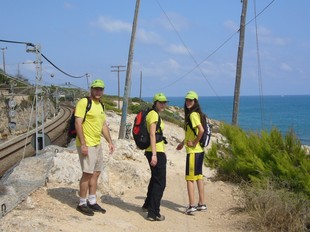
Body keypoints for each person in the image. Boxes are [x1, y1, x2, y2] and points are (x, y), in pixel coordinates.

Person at [75, 79, 115, 216]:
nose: (98, 91)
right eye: (96, 89)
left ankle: (92, 201)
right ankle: (82, 203)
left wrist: (109, 141)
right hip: (87, 144)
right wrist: (83, 143)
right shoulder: (84, 102)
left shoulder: (100, 105)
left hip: (97, 144)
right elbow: (78, 123)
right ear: (91, 89)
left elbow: (103, 125)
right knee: (87, 173)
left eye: (101, 89)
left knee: (96, 172)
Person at [176, 91, 207, 215]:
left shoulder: (193, 115)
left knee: (190, 179)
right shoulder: (198, 114)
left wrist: (194, 143)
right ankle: (202, 203)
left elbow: (201, 130)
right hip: (199, 151)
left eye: (191, 100)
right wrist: (182, 143)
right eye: (187, 100)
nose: (188, 102)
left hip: (194, 152)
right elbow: (191, 132)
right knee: (199, 177)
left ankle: (191, 205)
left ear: (195, 101)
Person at [142, 93, 168, 221]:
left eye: (164, 102)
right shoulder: (153, 115)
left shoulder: (155, 114)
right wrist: (154, 154)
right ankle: (153, 213)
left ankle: (147, 205)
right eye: (161, 102)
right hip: (155, 151)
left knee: (155, 179)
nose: (163, 104)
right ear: (155, 102)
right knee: (160, 183)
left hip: (156, 150)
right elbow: (152, 135)